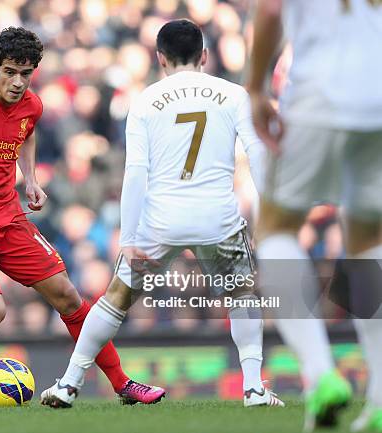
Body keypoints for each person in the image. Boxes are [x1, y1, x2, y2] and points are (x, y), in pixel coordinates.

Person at [0, 27, 164, 407]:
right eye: (10, 72)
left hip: (7, 220)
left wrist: (31, 178)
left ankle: (122, 384)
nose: (18, 82)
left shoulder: (32, 105)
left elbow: (27, 131)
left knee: (69, 296)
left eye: (26, 73)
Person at [41, 19, 283, 409]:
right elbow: (258, 156)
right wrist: (270, 217)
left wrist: (131, 237)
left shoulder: (145, 101)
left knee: (115, 300)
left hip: (160, 220)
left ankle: (69, 384)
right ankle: (254, 387)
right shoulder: (234, 94)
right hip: (217, 218)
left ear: (160, 58)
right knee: (243, 293)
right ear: (204, 55)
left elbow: (135, 173)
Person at [248, 0, 382, 431]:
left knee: (275, 226)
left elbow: (270, 11)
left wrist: (254, 88)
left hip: (317, 95)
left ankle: (321, 375)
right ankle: (379, 400)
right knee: (369, 240)